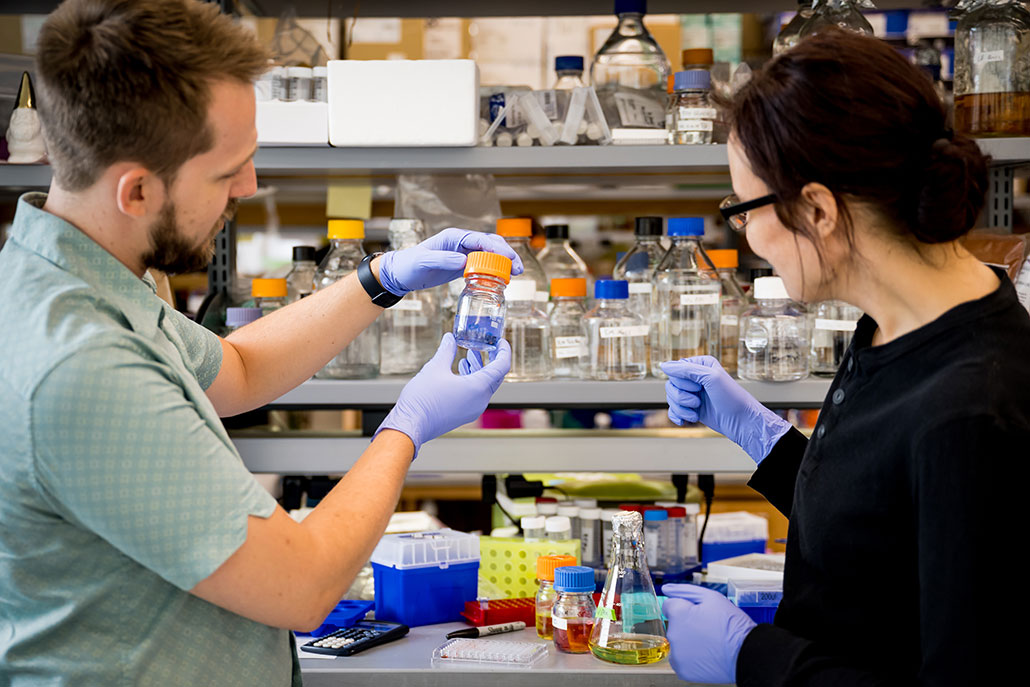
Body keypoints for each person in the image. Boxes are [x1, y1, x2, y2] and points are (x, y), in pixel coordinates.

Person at [0, 1, 522, 684]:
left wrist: (380, 278)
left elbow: (238, 369)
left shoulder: (81, 277)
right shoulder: (82, 363)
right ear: (135, 191)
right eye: (228, 172)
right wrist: (410, 423)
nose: (249, 186)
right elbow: (301, 587)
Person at [659, 30, 1026, 687]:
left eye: (742, 210)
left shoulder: (972, 410)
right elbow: (886, 527)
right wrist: (768, 442)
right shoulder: (893, 327)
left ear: (819, 208)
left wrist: (754, 658)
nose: (743, 234)